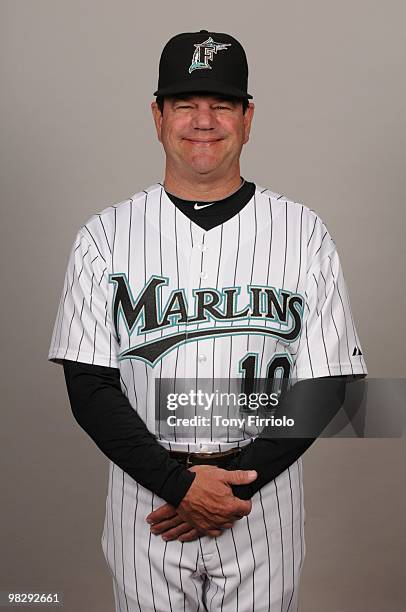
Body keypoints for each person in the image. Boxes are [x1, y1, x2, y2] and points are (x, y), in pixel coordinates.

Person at [49, 30, 367, 612]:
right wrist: (181, 488)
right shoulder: (104, 237)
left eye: (221, 104)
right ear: (157, 115)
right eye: (185, 104)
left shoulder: (303, 233)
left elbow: (327, 384)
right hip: (147, 499)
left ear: (247, 118)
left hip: (261, 501)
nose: (203, 120)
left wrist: (228, 490)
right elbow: (88, 385)